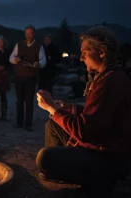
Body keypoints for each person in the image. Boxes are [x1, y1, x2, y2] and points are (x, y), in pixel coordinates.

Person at [36, 26, 131, 198]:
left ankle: (97, 180)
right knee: (53, 125)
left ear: (101, 52)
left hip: (108, 157)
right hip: (99, 144)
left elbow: (84, 131)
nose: (81, 58)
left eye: (85, 52)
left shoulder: (111, 82)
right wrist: (70, 108)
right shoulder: (107, 75)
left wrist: (52, 108)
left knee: (45, 157)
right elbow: (97, 113)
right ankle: (64, 168)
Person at [9, 25, 46, 131]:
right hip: (19, 76)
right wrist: (14, 60)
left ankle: (28, 123)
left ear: (34, 34)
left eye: (30, 33)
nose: (28, 35)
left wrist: (39, 64)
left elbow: (43, 61)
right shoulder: (19, 44)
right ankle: (19, 122)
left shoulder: (39, 46)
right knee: (19, 100)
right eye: (26, 33)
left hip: (31, 77)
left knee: (29, 101)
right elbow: (11, 58)